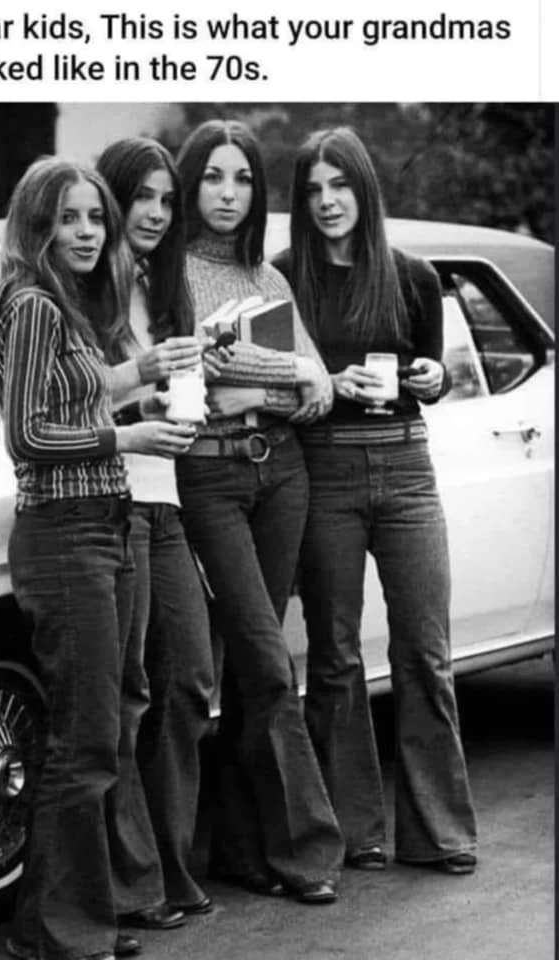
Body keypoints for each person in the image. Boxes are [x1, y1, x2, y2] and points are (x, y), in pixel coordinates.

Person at [0, 155, 198, 960]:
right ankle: (55, 932)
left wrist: (139, 385)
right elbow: (28, 437)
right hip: (66, 534)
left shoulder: (63, 305)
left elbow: (71, 402)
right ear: (37, 225)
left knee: (93, 735)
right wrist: (129, 437)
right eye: (68, 218)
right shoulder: (33, 304)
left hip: (103, 523)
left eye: (95, 217)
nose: (87, 232)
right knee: (86, 738)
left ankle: (74, 921)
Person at [273, 126, 477, 875]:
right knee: (333, 656)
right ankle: (355, 831)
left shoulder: (413, 276)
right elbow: (274, 386)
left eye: (340, 185)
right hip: (324, 467)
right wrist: (327, 386)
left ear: (364, 188)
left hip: (407, 465)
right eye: (314, 190)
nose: (328, 202)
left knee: (425, 650)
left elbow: (434, 373)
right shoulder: (283, 278)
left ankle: (441, 833)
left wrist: (434, 378)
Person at [174, 119, 343, 904]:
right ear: (191, 183)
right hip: (210, 480)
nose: (229, 193)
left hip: (284, 475)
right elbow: (196, 372)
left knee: (254, 670)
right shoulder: (169, 273)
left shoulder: (269, 279)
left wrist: (272, 381)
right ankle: (308, 852)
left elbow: (320, 391)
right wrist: (288, 373)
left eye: (242, 178)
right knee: (270, 662)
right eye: (214, 176)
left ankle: (242, 851)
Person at [96, 137, 215, 917]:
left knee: (191, 679)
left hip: (165, 500)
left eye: (167, 200)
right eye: (141, 196)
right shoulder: (83, 288)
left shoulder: (164, 289)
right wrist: (140, 394)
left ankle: (168, 863)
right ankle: (130, 882)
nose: (157, 213)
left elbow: (184, 393)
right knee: (126, 696)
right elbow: (64, 400)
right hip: (113, 498)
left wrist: (189, 395)